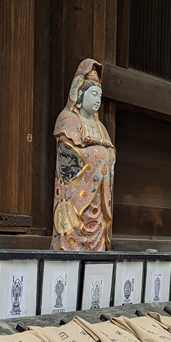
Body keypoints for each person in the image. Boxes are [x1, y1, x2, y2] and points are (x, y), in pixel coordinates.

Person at [50, 58, 116, 251]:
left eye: (100, 96)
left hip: (98, 197)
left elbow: (110, 152)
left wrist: (105, 155)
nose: (98, 100)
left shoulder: (101, 127)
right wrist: (99, 155)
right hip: (76, 196)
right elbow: (68, 155)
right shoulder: (68, 120)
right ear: (79, 93)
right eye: (94, 94)